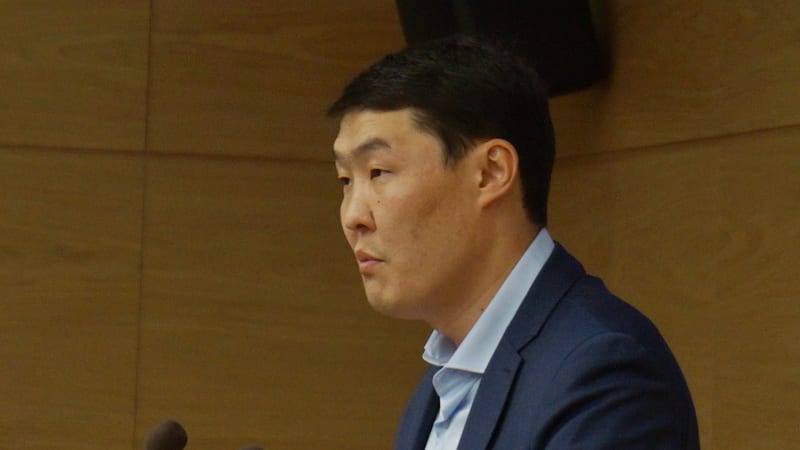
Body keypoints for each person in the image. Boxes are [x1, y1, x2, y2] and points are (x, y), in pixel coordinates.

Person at [327, 35, 699, 450]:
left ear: (490, 173)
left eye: (378, 172)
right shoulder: (438, 385)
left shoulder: (603, 372)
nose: (353, 216)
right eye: (345, 180)